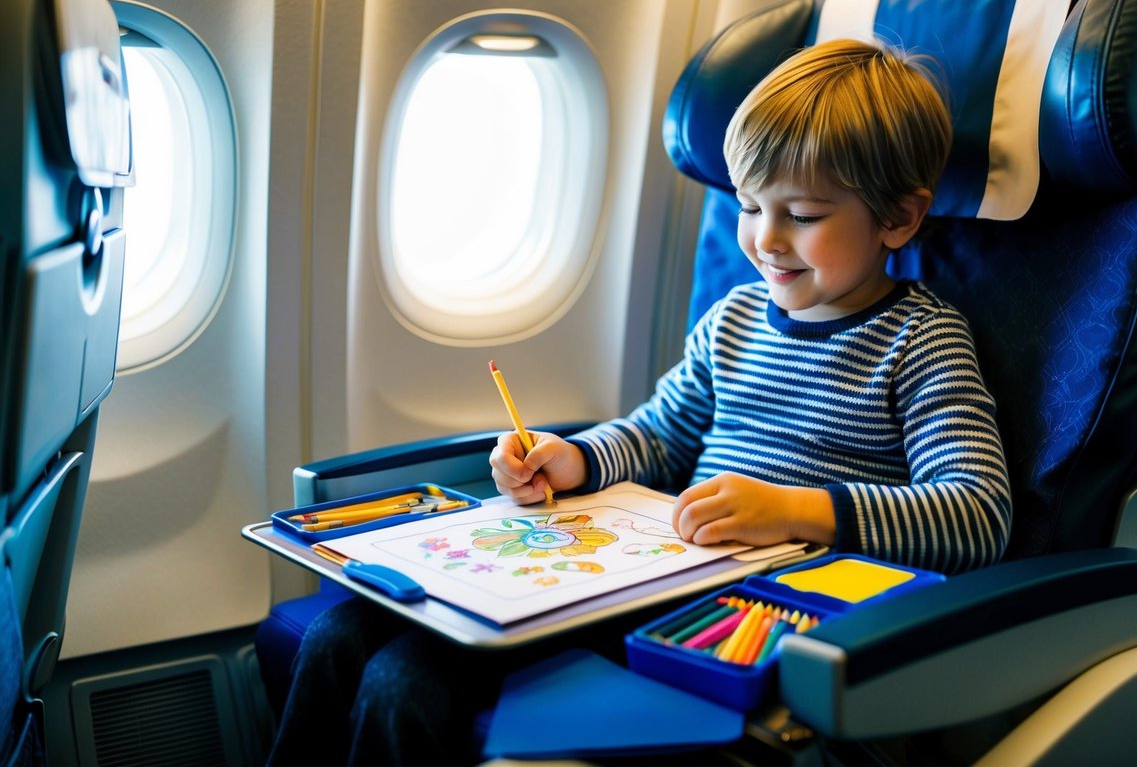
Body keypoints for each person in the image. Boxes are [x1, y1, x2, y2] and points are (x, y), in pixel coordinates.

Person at [267, 38, 1011, 766]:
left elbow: (976, 515)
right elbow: (659, 435)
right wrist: (576, 458)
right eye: (749, 207)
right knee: (339, 637)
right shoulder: (735, 319)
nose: (765, 240)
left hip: (753, 612)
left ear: (899, 219)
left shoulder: (921, 341)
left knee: (406, 683)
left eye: (804, 215)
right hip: (654, 571)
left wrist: (791, 509)